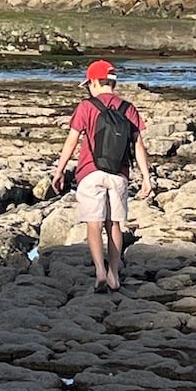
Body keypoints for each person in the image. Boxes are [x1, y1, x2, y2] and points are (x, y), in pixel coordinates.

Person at [51, 59, 153, 293]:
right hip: (119, 173)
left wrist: (59, 170)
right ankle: (114, 274)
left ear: (95, 82)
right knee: (114, 224)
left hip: (90, 172)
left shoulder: (86, 107)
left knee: (94, 224)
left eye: (89, 84)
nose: (88, 88)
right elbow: (139, 145)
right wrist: (146, 177)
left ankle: (99, 270)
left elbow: (72, 141)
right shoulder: (128, 108)